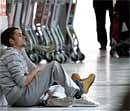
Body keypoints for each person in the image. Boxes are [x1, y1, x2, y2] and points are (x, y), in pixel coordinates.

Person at [0, 27, 95, 107]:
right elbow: (22, 81)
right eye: (20, 35)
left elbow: (32, 69)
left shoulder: (19, 52)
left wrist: (43, 77)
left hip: (23, 96)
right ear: (11, 41)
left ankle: (77, 85)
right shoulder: (11, 55)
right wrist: (39, 69)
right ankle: (78, 93)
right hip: (21, 97)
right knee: (54, 66)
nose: (24, 37)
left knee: (57, 86)